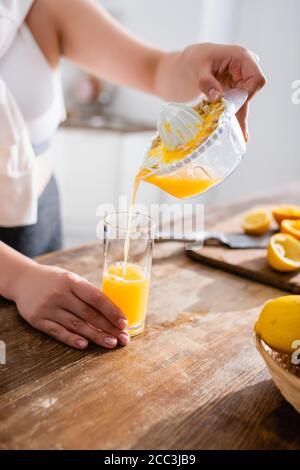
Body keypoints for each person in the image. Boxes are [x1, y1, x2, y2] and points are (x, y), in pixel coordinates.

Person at [0, 0, 266, 350]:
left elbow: (153, 68)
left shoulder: (33, 6)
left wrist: (196, 59)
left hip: (38, 221)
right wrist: (18, 278)